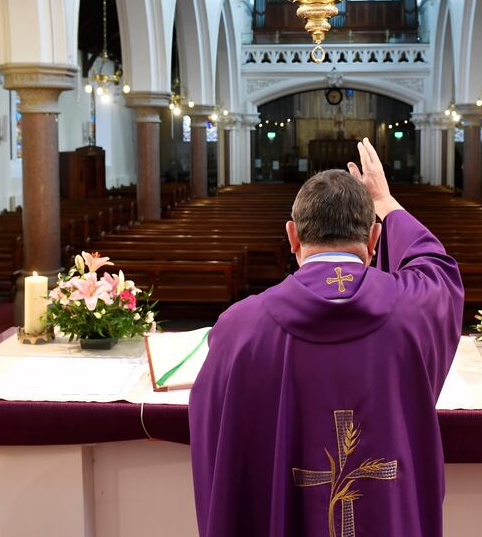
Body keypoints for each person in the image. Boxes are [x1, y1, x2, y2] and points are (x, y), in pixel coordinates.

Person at [189, 138, 464, 537]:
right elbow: (437, 268)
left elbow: (214, 425)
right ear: (373, 239)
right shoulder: (413, 309)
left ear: (292, 237)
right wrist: (385, 201)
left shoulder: (240, 327)